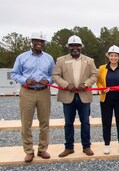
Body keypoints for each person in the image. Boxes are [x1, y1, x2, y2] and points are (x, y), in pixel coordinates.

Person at [10, 32, 55, 162]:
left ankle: (42, 149)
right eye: (37, 40)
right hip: (27, 92)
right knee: (26, 123)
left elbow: (54, 75)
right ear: (32, 41)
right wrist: (25, 80)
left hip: (43, 92)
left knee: (44, 122)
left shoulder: (49, 58)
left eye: (42, 41)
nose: (39, 43)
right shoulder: (22, 57)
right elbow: (14, 73)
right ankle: (29, 151)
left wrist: (48, 80)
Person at [52, 35, 98, 157]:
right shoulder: (61, 60)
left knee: (85, 122)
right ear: (68, 47)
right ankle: (69, 147)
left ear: (81, 47)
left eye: (77, 45)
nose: (75, 48)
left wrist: (86, 84)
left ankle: (86, 146)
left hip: (84, 95)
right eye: (72, 46)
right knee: (68, 123)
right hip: (68, 95)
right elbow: (55, 76)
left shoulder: (89, 60)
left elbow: (94, 75)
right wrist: (66, 85)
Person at [97, 45, 119, 154]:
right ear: (108, 56)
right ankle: (106, 144)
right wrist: (102, 89)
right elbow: (99, 82)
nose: (113, 58)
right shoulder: (102, 68)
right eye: (111, 55)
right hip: (106, 99)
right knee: (106, 122)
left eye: (116, 56)